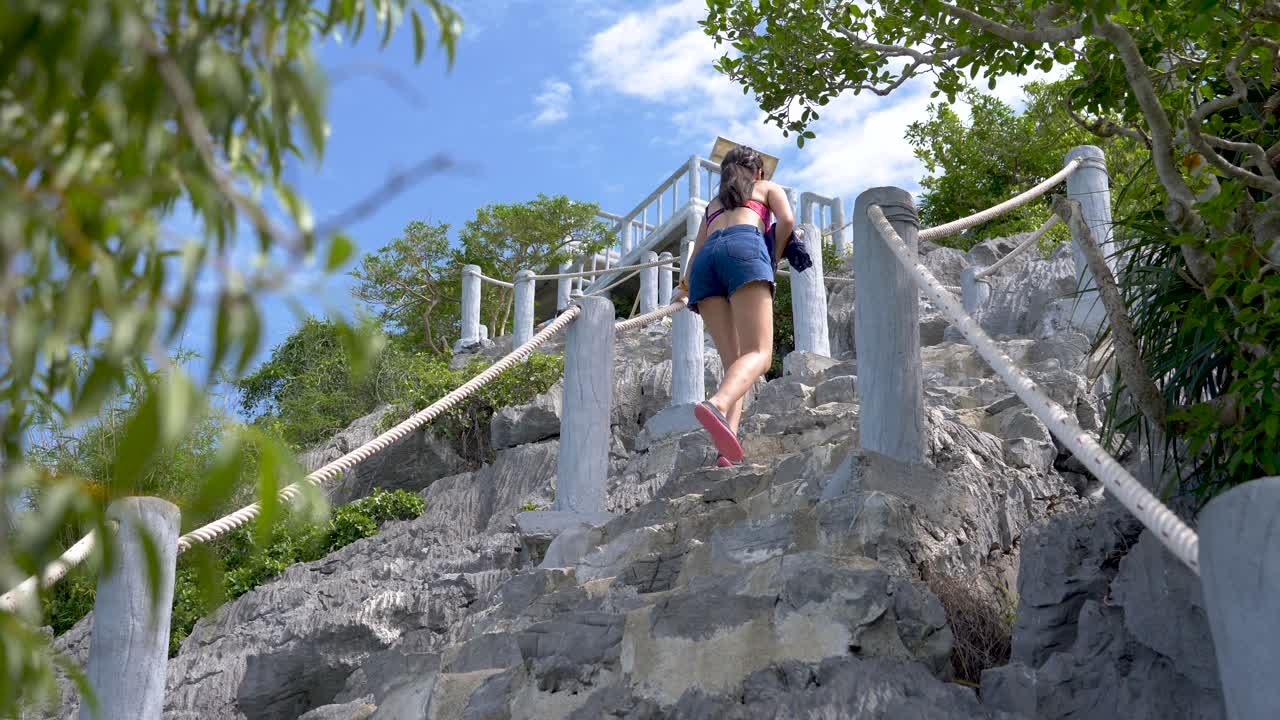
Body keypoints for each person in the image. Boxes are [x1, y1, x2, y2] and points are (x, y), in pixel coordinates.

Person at [671, 145, 794, 467]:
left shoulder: (713, 205)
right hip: (744, 248)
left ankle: (727, 449)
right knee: (760, 355)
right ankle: (717, 404)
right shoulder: (767, 188)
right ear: (760, 172)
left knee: (735, 365)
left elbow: (697, 250)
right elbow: (787, 220)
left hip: (705, 266)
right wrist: (773, 257)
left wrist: (683, 289)